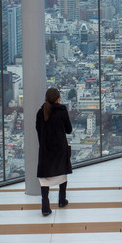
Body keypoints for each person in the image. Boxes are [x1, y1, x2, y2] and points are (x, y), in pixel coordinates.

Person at [35, 87, 73, 216]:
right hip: (60, 148)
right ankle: (62, 200)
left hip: (45, 148)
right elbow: (69, 129)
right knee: (62, 173)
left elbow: (38, 129)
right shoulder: (62, 110)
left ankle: (45, 206)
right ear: (58, 98)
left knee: (45, 178)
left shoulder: (40, 112)